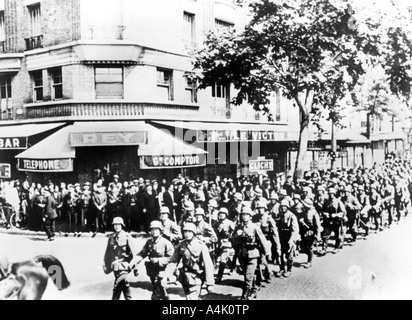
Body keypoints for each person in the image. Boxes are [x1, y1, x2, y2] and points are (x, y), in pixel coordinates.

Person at [166, 223, 215, 300]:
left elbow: (208, 265)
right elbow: (173, 261)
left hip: (196, 277)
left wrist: (210, 283)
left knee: (190, 298)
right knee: (191, 296)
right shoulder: (181, 245)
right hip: (184, 277)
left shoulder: (201, 246)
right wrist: (167, 276)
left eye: (189, 231)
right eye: (185, 232)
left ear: (194, 233)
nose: (187, 234)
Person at [232, 207, 270, 300]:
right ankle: (254, 290)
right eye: (243, 215)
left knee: (248, 277)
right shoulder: (238, 227)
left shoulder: (255, 227)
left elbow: (263, 240)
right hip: (242, 254)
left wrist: (267, 253)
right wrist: (237, 235)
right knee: (246, 275)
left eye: (247, 215)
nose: (245, 217)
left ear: (250, 216)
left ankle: (244, 297)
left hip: (252, 254)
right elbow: (232, 240)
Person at [131, 221, 174, 300]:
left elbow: (172, 258)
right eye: (152, 229)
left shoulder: (166, 243)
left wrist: (158, 260)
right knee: (160, 290)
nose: (154, 231)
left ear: (160, 230)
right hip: (152, 271)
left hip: (162, 271)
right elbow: (142, 253)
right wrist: (133, 262)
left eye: (156, 229)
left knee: (156, 293)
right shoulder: (149, 242)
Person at [103, 217, 137, 300]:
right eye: (115, 225)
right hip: (115, 266)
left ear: (122, 225)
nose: (116, 226)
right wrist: (106, 265)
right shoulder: (111, 237)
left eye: (118, 224)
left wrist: (136, 268)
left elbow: (134, 253)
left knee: (117, 285)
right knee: (124, 285)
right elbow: (107, 253)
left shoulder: (127, 237)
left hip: (125, 265)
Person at [276, 200, 300, 278]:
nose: (283, 208)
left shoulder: (292, 216)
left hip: (289, 236)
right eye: (282, 206)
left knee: (289, 254)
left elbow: (295, 229)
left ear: (287, 207)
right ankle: (282, 268)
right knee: (280, 254)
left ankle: (289, 270)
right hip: (281, 236)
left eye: (285, 206)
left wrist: (292, 239)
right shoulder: (279, 215)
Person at [213, 208, 236, 284]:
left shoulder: (229, 223)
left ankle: (219, 277)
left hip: (227, 243)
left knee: (222, 260)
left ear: (226, 215)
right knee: (220, 259)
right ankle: (231, 266)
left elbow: (234, 233)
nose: (221, 215)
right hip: (219, 244)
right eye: (220, 213)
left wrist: (231, 239)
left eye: (223, 214)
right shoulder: (217, 223)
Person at [298, 199, 321, 268]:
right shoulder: (304, 211)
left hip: (311, 232)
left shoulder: (314, 213)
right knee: (304, 247)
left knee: (309, 247)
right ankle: (309, 256)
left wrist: (318, 235)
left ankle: (309, 262)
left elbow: (317, 225)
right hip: (304, 232)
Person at [323, 188, 347, 253]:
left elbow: (343, 212)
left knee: (337, 235)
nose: (331, 195)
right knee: (325, 235)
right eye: (329, 194)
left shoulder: (338, 202)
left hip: (336, 221)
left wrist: (336, 215)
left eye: (332, 194)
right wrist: (325, 214)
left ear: (334, 194)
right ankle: (324, 248)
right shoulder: (326, 202)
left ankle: (337, 247)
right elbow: (323, 210)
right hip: (328, 221)